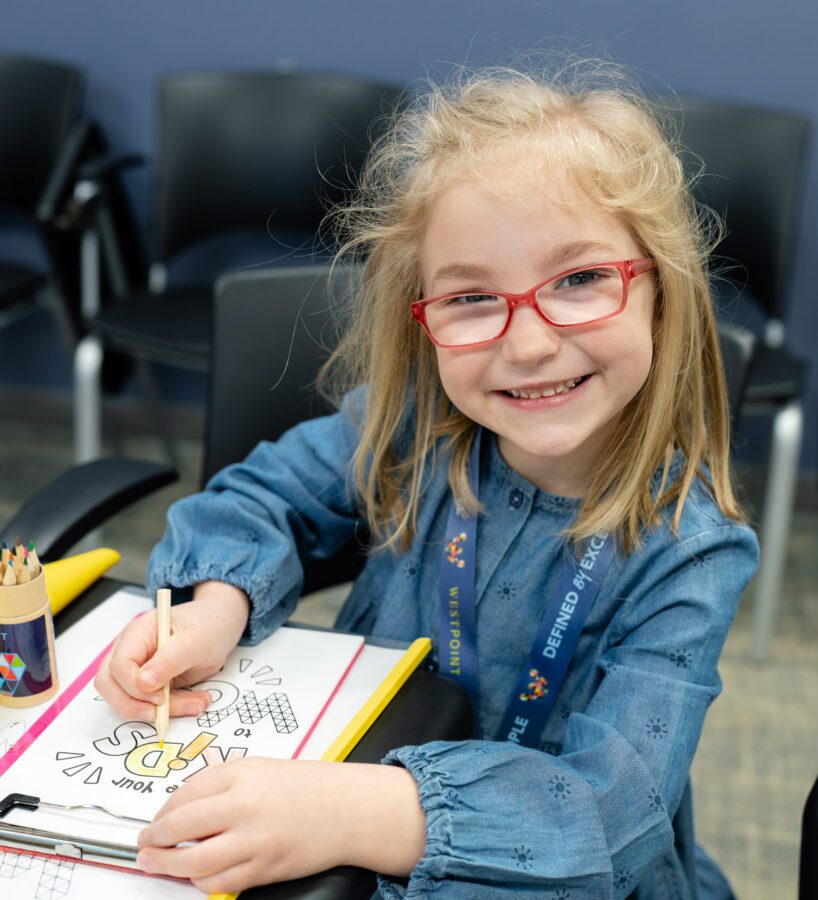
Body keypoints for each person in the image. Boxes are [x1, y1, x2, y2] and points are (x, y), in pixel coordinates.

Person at [95, 60, 759, 898]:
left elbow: (610, 816)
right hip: (335, 810)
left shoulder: (690, 552)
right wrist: (214, 611)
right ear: (425, 319)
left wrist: (345, 813)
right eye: (473, 297)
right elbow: (262, 497)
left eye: (581, 280)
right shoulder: (409, 426)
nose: (527, 344)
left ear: (659, 291)